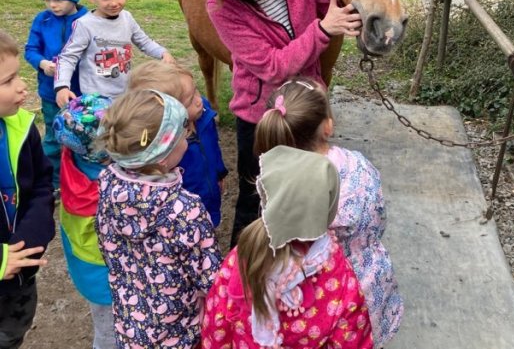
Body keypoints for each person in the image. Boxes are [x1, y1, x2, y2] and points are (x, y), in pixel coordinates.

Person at [191, 0, 362, 245]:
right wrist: (323, 31)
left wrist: (360, 14)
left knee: (305, 188)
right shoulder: (221, 7)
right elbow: (272, 67)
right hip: (260, 116)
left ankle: (298, 260)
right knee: (255, 195)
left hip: (304, 105)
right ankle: (242, 270)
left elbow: (329, 7)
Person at [254, 77, 404, 348]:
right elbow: (378, 217)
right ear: (328, 125)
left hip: (305, 294)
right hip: (364, 279)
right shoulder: (358, 166)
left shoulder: (274, 179)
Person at [201, 145, 374, 349]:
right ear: (327, 208)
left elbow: (217, 324)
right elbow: (352, 340)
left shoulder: (243, 254)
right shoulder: (339, 278)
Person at [95, 89, 222, 348]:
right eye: (183, 133)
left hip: (130, 328)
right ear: (164, 156)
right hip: (181, 335)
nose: (188, 137)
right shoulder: (185, 210)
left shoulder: (107, 184)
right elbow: (211, 280)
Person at [54, 0, 175, 108]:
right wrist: (62, 86)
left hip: (125, 95)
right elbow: (67, 58)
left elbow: (144, 41)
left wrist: (163, 52)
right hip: (96, 99)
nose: (113, 3)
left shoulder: (127, 18)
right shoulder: (84, 25)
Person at [0, 31, 55, 348]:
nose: (22, 86)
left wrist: (27, 245)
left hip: (19, 277)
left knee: (11, 335)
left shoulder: (21, 127)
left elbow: (42, 187)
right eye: (8, 81)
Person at [127, 60, 228, 227]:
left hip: (209, 195)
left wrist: (219, 172)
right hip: (182, 214)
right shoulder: (165, 147)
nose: (199, 101)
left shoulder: (204, 113)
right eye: (189, 101)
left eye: (196, 91)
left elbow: (213, 146)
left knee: (211, 226)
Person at [52, 93, 115, 349]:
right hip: (105, 276)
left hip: (84, 265)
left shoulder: (73, 159)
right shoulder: (105, 188)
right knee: (110, 334)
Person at [24, 0, 88, 190]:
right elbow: (30, 49)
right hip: (51, 93)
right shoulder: (42, 20)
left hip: (81, 94)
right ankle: (51, 182)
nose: (52, 4)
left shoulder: (87, 20)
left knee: (82, 138)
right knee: (52, 137)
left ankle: (80, 180)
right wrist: (42, 64)